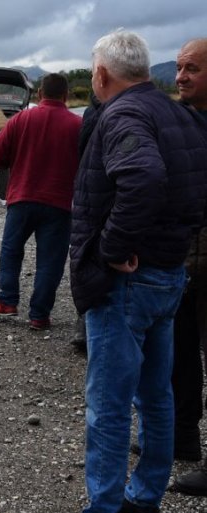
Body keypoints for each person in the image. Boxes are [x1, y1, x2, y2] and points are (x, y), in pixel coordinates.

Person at [70, 30, 207, 513]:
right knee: (156, 396)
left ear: (103, 75)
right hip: (169, 274)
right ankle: (145, 495)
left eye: (92, 73)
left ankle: (105, 506)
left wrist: (112, 247)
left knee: (108, 405)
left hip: (128, 280)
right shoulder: (181, 114)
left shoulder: (124, 113)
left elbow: (143, 177)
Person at [0, 73, 82, 330]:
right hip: (59, 203)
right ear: (66, 96)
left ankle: (7, 302)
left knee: (11, 250)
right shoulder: (78, 125)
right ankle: (39, 314)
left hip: (22, 196)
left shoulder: (21, 119)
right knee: (50, 260)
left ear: (40, 94)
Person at [167, 37, 207, 496]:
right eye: (178, 68)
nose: (180, 78)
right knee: (177, 354)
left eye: (191, 69)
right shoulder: (182, 120)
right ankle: (182, 439)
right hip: (182, 259)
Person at [70, 95, 103, 353]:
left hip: (94, 197)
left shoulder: (94, 112)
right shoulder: (93, 112)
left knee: (87, 260)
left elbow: (83, 151)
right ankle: (87, 327)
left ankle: (86, 327)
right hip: (96, 196)